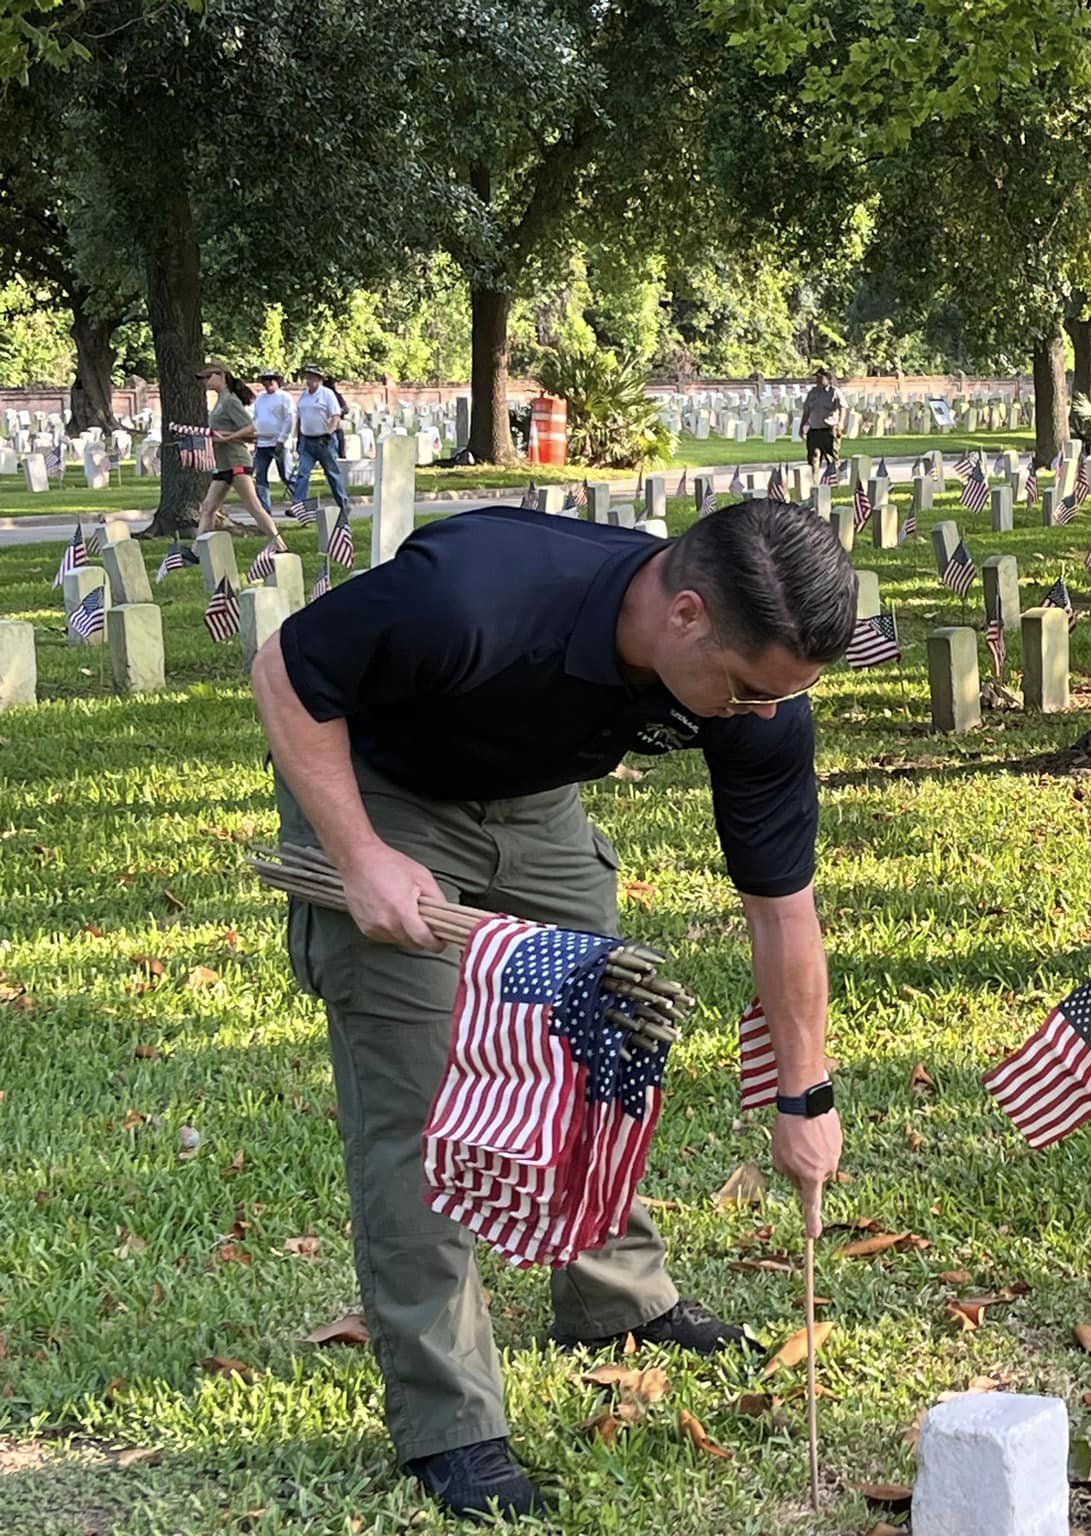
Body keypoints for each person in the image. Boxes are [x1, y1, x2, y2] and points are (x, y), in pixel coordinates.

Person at [249, 499, 853, 1523]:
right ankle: (453, 1421)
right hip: (383, 789)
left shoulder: (762, 697)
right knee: (423, 1102)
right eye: (748, 692)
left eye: (777, 699)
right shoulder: (474, 596)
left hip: (535, 806)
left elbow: (780, 906)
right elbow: (286, 672)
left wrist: (806, 1095)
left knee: (599, 1041)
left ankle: (614, 1299)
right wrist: (357, 859)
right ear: (687, 615)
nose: (761, 714)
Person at [193, 361, 286, 545]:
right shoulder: (220, 401)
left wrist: (228, 438)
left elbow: (250, 427)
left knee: (254, 507)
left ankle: (280, 546)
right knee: (208, 508)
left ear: (221, 375)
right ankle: (198, 550)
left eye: (208, 376)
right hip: (223, 463)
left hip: (237, 462)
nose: (205, 381)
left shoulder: (230, 401)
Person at [291, 363, 354, 520]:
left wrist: (329, 432)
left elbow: (335, 416)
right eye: (307, 376)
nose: (309, 380)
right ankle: (298, 506)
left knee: (332, 474)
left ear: (319, 379)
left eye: (312, 376)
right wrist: (298, 436)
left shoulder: (327, 394)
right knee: (302, 474)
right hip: (307, 440)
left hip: (324, 440)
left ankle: (344, 504)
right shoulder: (304, 396)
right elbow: (300, 417)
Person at [250, 369, 295, 515]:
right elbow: (255, 418)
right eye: (265, 379)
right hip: (262, 442)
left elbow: (290, 419)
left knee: (287, 475)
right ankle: (265, 509)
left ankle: (299, 505)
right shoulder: (260, 398)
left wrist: (282, 439)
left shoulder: (284, 397)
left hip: (279, 443)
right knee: (260, 476)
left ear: (277, 381)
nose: (268, 383)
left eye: (271, 379)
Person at [799, 366, 846, 474]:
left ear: (827, 378)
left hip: (829, 430)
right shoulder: (812, 393)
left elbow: (843, 407)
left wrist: (841, 423)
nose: (818, 380)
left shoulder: (834, 392)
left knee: (831, 458)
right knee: (813, 458)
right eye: (817, 378)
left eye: (820, 377)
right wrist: (802, 426)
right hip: (814, 430)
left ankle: (834, 481)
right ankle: (813, 481)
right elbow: (807, 411)